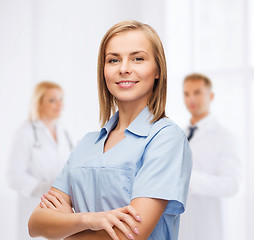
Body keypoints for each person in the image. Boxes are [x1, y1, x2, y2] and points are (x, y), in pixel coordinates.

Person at [28, 20, 192, 240]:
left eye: (138, 58)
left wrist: (65, 228)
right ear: (103, 71)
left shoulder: (166, 139)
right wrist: (88, 220)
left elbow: (130, 234)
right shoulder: (87, 144)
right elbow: (36, 224)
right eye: (113, 60)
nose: (124, 68)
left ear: (157, 71)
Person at [6, 81, 73, 240]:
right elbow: (13, 176)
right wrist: (43, 187)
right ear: (39, 103)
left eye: (60, 99)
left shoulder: (63, 132)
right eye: (52, 100)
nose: (59, 104)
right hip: (34, 204)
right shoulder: (26, 132)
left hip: (59, 206)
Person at [178, 73, 242, 240]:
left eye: (197, 92)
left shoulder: (225, 137)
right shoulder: (178, 136)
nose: (191, 99)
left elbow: (231, 184)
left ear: (210, 96)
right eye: (187, 93)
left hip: (208, 228)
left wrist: (187, 180)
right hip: (181, 226)